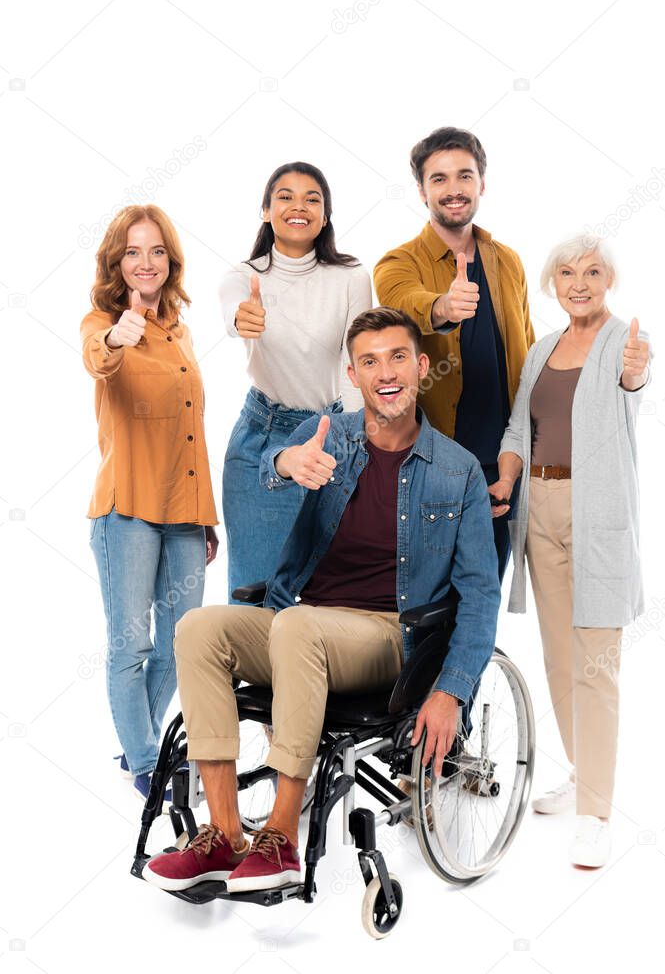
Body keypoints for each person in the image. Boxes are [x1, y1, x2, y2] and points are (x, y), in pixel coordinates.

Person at [142, 307, 500, 894]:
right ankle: (224, 834)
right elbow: (267, 463)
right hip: (301, 625)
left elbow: (481, 594)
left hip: (388, 637)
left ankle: (280, 837)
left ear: (421, 366)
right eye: (369, 361)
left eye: (398, 357)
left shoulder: (457, 472)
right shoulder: (329, 433)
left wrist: (452, 689)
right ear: (352, 375)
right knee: (199, 627)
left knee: (296, 627)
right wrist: (287, 460)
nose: (385, 372)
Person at [488, 234, 652, 868]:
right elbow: (515, 427)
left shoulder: (624, 342)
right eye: (565, 273)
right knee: (559, 658)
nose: (578, 283)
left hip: (598, 512)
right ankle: (583, 773)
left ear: (608, 278)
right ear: (551, 283)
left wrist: (636, 372)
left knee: (596, 661)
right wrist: (505, 476)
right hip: (540, 509)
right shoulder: (540, 351)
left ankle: (596, 812)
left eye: (590, 272)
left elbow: (634, 379)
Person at [81, 205, 219, 803]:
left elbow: (194, 431)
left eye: (157, 251)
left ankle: (137, 741)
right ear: (117, 262)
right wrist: (118, 335)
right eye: (133, 252)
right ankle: (144, 762)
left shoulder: (181, 332)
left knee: (180, 645)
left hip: (184, 514)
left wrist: (207, 517)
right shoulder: (101, 323)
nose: (146, 262)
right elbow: (97, 357)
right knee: (130, 646)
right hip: (128, 510)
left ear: (171, 261)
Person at [374, 126, 535, 581]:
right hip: (433, 459)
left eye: (464, 176)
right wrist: (444, 307)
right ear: (422, 190)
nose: (453, 189)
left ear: (481, 184)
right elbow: (403, 301)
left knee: (485, 587)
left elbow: (527, 344)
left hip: (504, 459)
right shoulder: (396, 262)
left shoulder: (507, 261)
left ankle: (472, 656)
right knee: (426, 591)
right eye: (439, 179)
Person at [219, 162, 372, 603]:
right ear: (266, 210)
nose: (298, 206)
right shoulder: (244, 277)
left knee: (321, 599)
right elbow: (234, 311)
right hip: (261, 437)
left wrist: (354, 446)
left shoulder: (351, 277)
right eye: (285, 196)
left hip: (330, 436)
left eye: (312, 198)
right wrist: (241, 318)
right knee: (254, 598)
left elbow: (355, 364)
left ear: (325, 216)